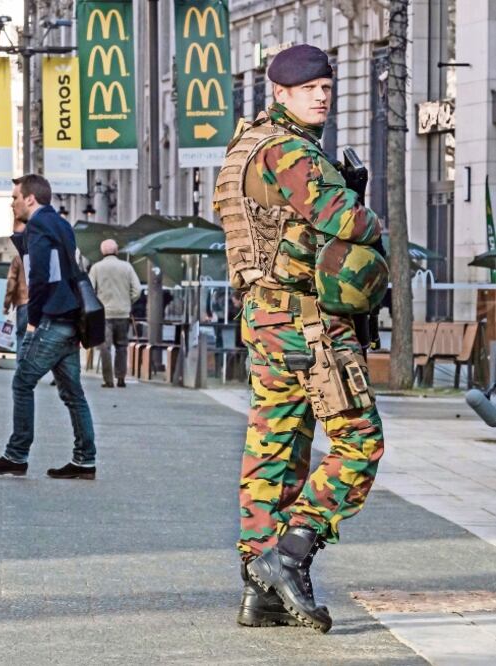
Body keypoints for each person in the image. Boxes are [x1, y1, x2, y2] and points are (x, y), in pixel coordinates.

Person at [213, 44, 386, 633]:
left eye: (326, 87)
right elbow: (347, 222)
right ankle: (288, 555)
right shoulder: (290, 151)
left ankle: (259, 592)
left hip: (265, 320)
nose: (321, 95)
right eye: (309, 88)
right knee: (359, 439)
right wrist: (362, 203)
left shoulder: (243, 148)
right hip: (308, 323)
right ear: (279, 93)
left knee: (276, 449)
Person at [0, 174, 96, 480]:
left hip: (53, 318)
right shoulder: (61, 224)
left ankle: (17, 455)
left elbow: (41, 274)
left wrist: (33, 319)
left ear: (31, 198)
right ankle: (84, 460)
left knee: (22, 382)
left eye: (16, 197)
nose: (12, 203)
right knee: (73, 393)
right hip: (71, 317)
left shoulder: (39, 225)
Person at [88, 238, 140, 388]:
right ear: (116, 251)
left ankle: (108, 379)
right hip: (123, 313)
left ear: (102, 251)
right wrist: (127, 301)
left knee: (105, 347)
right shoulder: (127, 267)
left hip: (104, 314)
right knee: (122, 346)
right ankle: (121, 378)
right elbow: (137, 290)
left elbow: (90, 290)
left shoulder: (96, 268)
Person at [3, 220, 29, 352]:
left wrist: (6, 305)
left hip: (23, 303)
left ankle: (21, 368)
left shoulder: (18, 259)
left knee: (21, 335)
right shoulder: (39, 254)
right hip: (39, 303)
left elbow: (11, 283)